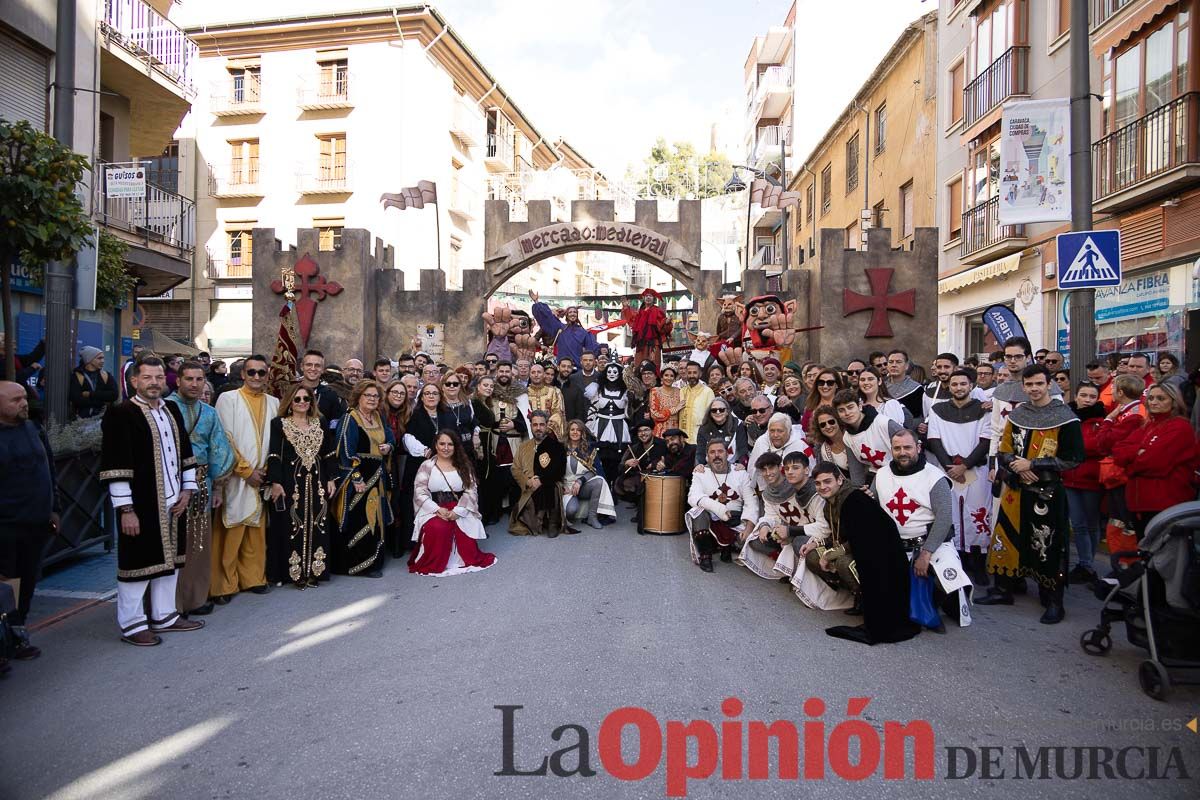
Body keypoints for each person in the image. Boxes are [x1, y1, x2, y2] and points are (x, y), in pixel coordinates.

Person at [100, 357, 204, 646]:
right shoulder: (122, 413)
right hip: (141, 504)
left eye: (159, 377)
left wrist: (187, 490)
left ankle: (164, 614)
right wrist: (126, 510)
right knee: (137, 565)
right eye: (147, 377)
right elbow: (116, 465)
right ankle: (132, 624)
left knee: (169, 562)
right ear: (135, 381)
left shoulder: (171, 408)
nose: (155, 382)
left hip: (174, 500)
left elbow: (185, 450)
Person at [979, 365, 1083, 624]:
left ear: (1049, 384)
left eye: (1039, 383)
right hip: (1016, 487)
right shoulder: (1018, 415)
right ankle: (1005, 589)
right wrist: (1018, 466)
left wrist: (1034, 465)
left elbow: (1073, 459)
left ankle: (1053, 600)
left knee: (1047, 544)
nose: (1034, 389)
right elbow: (1004, 449)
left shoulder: (1065, 417)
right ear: (1023, 387)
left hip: (1046, 492)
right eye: (1029, 385)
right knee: (1008, 536)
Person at [813, 464, 921, 645]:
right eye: (818, 483)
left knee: (874, 577)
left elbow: (866, 537)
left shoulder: (853, 500)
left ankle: (879, 627)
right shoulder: (835, 502)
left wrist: (829, 555)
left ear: (840, 480)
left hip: (883, 555)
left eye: (827, 481)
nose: (823, 487)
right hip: (869, 550)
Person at [874, 429, 972, 629]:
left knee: (948, 575)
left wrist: (926, 554)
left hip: (931, 545)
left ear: (918, 448)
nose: (903, 452)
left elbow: (944, 518)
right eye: (897, 448)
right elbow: (875, 508)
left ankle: (940, 601)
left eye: (908, 447)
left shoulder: (934, 477)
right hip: (895, 546)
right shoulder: (882, 474)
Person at [168, 362, 235, 616]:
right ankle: (169, 604)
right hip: (170, 484)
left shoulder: (209, 413)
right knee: (172, 543)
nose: (194, 384)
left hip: (202, 483)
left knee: (197, 543)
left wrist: (218, 488)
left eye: (199, 379)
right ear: (178, 381)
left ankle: (195, 599)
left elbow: (218, 450)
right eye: (189, 379)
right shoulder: (164, 409)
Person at [212, 356, 278, 603]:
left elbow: (276, 440)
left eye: (262, 373)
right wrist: (245, 471)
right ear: (243, 374)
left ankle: (253, 578)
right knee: (231, 530)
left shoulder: (274, 402)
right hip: (235, 476)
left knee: (256, 530)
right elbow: (224, 439)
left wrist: (266, 472)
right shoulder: (228, 399)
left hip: (261, 476)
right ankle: (224, 584)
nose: (257, 377)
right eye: (252, 372)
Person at [0, 381, 58, 660]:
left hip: (36, 522)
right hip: (6, 526)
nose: (24, 403)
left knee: (27, 580)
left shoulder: (33, 429)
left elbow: (50, 470)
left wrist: (54, 509)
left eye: (24, 397)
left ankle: (18, 633)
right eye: (15, 400)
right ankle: (5, 640)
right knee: (7, 584)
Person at [925, 369, 992, 584]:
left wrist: (965, 466)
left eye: (963, 384)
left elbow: (985, 441)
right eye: (954, 384)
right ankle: (957, 562)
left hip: (976, 471)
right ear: (949, 387)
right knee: (952, 515)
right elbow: (934, 439)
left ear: (971, 385)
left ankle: (978, 563)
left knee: (978, 516)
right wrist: (949, 467)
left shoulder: (983, 410)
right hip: (948, 471)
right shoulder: (938, 409)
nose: (959, 388)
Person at [265, 383, 334, 589]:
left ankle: (315, 571)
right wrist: (275, 482)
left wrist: (331, 478)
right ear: (290, 402)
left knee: (317, 522)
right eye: (298, 399)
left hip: (317, 481)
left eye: (306, 399)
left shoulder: (319, 421)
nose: (302, 402)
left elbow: (329, 453)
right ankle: (295, 573)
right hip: (291, 482)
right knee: (292, 524)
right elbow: (275, 454)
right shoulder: (279, 423)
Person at [1112, 382, 1200, 539]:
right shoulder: (1147, 425)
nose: (1154, 402)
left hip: (1166, 504)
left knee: (1164, 558)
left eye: (1161, 398)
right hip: (1139, 504)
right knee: (1145, 556)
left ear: (1173, 401)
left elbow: (1155, 463)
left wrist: (1130, 465)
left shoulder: (1180, 427)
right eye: (1151, 398)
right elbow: (1118, 452)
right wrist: (1137, 453)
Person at [409, 430, 496, 576]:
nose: (446, 447)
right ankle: (435, 562)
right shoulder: (427, 465)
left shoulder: (463, 465)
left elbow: (471, 490)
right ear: (436, 445)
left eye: (450, 444)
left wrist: (458, 511)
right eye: (442, 443)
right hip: (433, 508)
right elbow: (419, 491)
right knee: (438, 528)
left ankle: (461, 561)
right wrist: (437, 509)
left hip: (459, 506)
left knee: (464, 530)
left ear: (455, 447)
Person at [331, 380, 395, 576]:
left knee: (376, 520)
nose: (372, 399)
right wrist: (357, 478)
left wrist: (389, 446)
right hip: (359, 479)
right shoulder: (350, 418)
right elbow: (345, 451)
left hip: (378, 476)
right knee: (360, 519)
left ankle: (374, 561)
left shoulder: (378, 416)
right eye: (368, 395)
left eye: (375, 396)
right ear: (358, 397)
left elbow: (390, 437)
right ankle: (358, 565)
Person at [686, 439, 758, 573]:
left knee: (749, 543)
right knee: (697, 512)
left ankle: (729, 546)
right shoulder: (700, 473)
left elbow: (751, 502)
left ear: (727, 454)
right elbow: (693, 497)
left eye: (720, 451)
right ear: (707, 456)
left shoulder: (740, 473)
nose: (716, 455)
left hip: (735, 521)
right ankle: (705, 555)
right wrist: (719, 509)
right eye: (712, 452)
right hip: (711, 520)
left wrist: (749, 528)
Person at [1063, 381, 1106, 583]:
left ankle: (1087, 563)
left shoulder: (1102, 420)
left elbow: (1096, 446)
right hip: (1069, 478)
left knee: (1092, 524)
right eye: (1084, 395)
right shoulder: (1067, 416)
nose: (1087, 400)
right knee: (1078, 524)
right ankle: (1085, 564)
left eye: (1092, 396)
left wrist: (1076, 450)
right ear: (1076, 396)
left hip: (1092, 479)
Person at [474, 373, 527, 525]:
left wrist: (514, 424)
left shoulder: (520, 398)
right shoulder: (488, 399)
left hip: (513, 442)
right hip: (494, 441)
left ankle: (514, 510)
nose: (489, 388)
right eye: (486, 385)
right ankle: (494, 511)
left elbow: (525, 421)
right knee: (494, 477)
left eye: (507, 371)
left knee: (514, 476)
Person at [510, 411, 569, 536]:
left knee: (551, 488)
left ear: (547, 426)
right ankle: (538, 523)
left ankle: (552, 522)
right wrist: (528, 481)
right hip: (529, 486)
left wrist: (541, 480)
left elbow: (559, 470)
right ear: (531, 426)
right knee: (527, 518)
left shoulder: (556, 446)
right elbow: (515, 469)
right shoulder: (523, 447)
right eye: (535, 425)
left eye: (542, 425)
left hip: (550, 483)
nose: (538, 428)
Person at [562, 419, 615, 529]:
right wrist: (562, 487)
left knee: (599, 481)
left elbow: (594, 471)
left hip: (582, 486)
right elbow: (554, 471)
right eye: (572, 430)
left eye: (578, 430)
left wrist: (580, 481)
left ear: (582, 433)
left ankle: (592, 517)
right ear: (568, 432)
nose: (575, 432)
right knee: (571, 511)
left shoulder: (589, 448)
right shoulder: (560, 449)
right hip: (566, 487)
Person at [835, 389, 903, 476]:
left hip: (901, 469)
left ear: (859, 406)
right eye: (841, 410)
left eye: (850, 407)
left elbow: (910, 445)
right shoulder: (847, 437)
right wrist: (859, 487)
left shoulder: (884, 424)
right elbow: (855, 468)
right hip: (877, 474)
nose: (847, 413)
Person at [383, 379, 414, 558]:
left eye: (401, 393)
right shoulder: (380, 412)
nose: (398, 396)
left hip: (401, 460)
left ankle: (398, 542)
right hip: (383, 460)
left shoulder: (408, 413)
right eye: (395, 392)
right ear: (387, 394)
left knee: (399, 500)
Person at [586, 363, 631, 482]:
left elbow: (629, 413)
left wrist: (630, 400)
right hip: (601, 429)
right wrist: (589, 426)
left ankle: (614, 488)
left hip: (619, 429)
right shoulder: (598, 389)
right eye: (609, 372)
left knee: (617, 460)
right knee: (601, 459)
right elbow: (593, 408)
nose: (612, 374)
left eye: (615, 372)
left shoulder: (625, 391)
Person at [744, 412, 811, 490]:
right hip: (768, 492)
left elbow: (811, 474)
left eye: (780, 431)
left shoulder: (801, 445)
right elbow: (752, 471)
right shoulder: (761, 442)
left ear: (788, 431)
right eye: (772, 431)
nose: (775, 435)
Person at [530, 290, 598, 366]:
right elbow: (548, 318)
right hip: (562, 366)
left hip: (577, 366)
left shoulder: (584, 332)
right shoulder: (561, 328)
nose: (572, 314)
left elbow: (591, 349)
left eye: (574, 312)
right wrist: (536, 301)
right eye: (570, 312)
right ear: (567, 315)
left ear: (577, 315)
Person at [808, 405, 867, 488]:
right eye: (823, 425)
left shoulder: (852, 435)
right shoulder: (824, 450)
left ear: (838, 421)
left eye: (831, 422)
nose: (828, 426)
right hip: (852, 488)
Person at [614, 420, 667, 507]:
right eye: (640, 431)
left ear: (652, 431)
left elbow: (671, 459)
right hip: (641, 477)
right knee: (621, 482)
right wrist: (627, 463)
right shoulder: (634, 447)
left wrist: (657, 464)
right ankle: (638, 503)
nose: (643, 433)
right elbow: (620, 467)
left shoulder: (663, 444)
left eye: (646, 430)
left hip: (660, 477)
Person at [622, 288, 673, 367]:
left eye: (650, 296)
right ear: (644, 298)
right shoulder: (640, 312)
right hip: (641, 345)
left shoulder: (658, 311)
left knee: (653, 366)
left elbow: (662, 328)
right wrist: (626, 308)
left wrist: (665, 323)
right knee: (639, 366)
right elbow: (632, 320)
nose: (648, 297)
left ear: (654, 299)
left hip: (653, 344)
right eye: (646, 296)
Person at [295, 350, 346, 428]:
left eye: (317, 365)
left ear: (322, 369)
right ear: (302, 367)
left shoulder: (331, 395)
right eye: (309, 364)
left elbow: (336, 426)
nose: (313, 368)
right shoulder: (292, 392)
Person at [693, 398, 748, 468]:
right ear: (710, 413)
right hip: (711, 467)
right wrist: (699, 465)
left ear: (727, 411)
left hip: (734, 466)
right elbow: (700, 452)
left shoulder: (737, 424)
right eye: (714, 410)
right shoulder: (703, 429)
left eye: (721, 410)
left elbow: (742, 449)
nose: (718, 412)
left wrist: (742, 464)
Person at [69, 345, 118, 420]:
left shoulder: (105, 375)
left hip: (104, 420)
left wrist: (90, 394)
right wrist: (102, 401)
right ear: (89, 359)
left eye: (103, 358)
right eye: (99, 358)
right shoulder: (77, 376)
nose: (102, 361)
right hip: (82, 421)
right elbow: (77, 399)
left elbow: (114, 395)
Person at [440, 371, 478, 458]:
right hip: (447, 451)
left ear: (460, 386)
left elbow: (474, 421)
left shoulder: (467, 402)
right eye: (448, 384)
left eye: (455, 384)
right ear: (442, 387)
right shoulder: (438, 404)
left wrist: (476, 435)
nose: (452, 386)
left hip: (467, 449)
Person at [525, 361, 565, 440]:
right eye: (533, 372)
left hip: (548, 434)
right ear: (529, 375)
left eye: (539, 372)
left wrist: (546, 428)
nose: (536, 375)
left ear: (543, 375)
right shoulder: (524, 393)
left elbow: (557, 413)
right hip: (528, 433)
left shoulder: (552, 391)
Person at [678, 361, 715, 444]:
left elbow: (712, 417)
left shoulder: (708, 392)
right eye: (689, 373)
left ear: (700, 374)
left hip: (700, 439)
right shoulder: (681, 391)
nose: (692, 376)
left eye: (695, 373)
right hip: (683, 440)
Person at [884, 349, 924, 423]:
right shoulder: (881, 387)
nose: (894, 365)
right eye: (890, 362)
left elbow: (919, 417)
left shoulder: (916, 389)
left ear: (906, 366)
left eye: (898, 362)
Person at [921, 353, 960, 424]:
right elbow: (927, 417)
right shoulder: (928, 393)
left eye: (946, 367)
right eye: (939, 367)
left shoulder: (966, 392)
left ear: (956, 369)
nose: (942, 371)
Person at [649, 365, 682, 437]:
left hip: (675, 432)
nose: (669, 378)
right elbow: (654, 415)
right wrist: (672, 411)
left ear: (675, 378)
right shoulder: (655, 391)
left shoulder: (679, 391)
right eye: (666, 375)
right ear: (662, 377)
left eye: (671, 376)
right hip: (660, 433)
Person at [555, 356, 588, 423]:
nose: (566, 369)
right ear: (558, 367)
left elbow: (580, 412)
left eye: (569, 367)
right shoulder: (552, 384)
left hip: (569, 427)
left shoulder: (576, 388)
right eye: (563, 366)